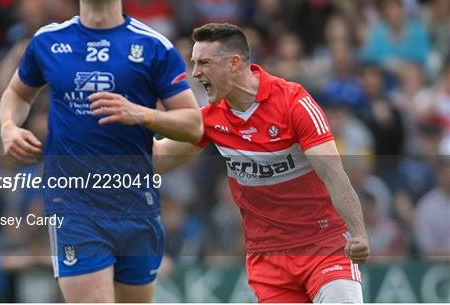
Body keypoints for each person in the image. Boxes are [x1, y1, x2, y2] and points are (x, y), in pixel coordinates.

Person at [0, 0, 202, 302]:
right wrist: (9, 128)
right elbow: (16, 95)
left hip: (136, 205)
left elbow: (194, 126)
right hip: (73, 205)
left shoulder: (154, 47)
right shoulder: (48, 41)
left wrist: (141, 114)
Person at [154, 23, 369, 303]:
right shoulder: (209, 119)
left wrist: (359, 233)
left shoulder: (294, 103)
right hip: (268, 261)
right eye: (194, 64)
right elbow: (156, 159)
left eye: (204, 63)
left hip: (323, 247)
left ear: (234, 63)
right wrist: (131, 121)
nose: (195, 73)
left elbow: (333, 175)